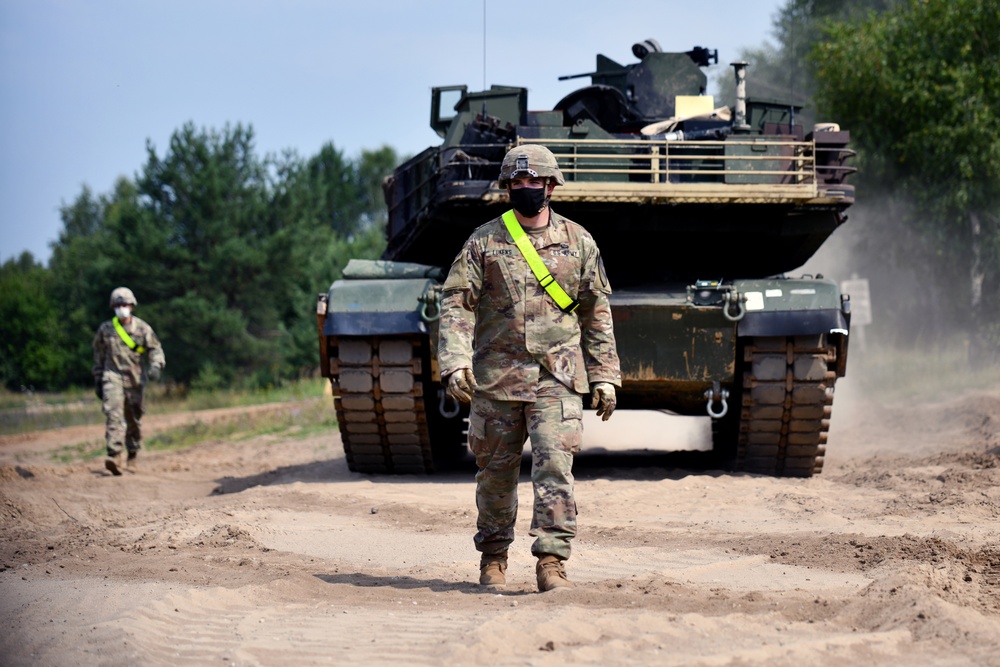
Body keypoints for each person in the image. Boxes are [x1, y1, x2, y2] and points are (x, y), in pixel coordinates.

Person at [438, 144, 621, 592]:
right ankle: (493, 559)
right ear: (507, 188)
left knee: (555, 471)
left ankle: (552, 562)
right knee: (495, 477)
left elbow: (596, 312)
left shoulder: (578, 242)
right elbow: (457, 303)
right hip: (496, 381)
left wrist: (605, 375)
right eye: (516, 183)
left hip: (557, 378)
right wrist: (456, 360)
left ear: (551, 186)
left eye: (533, 182)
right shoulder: (483, 242)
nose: (525, 189)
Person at [92, 287, 165, 476]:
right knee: (113, 414)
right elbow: (98, 355)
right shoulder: (105, 329)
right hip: (112, 376)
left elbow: (155, 349)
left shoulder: (142, 328)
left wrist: (156, 366)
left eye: (124, 304)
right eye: (117, 305)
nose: (121, 308)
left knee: (134, 418)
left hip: (135, 380)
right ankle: (114, 455)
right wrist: (98, 379)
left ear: (131, 305)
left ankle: (132, 453)